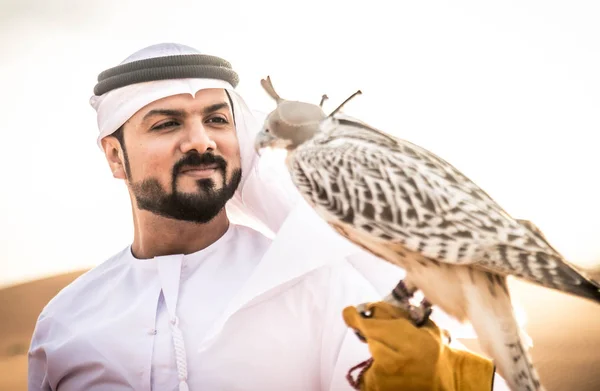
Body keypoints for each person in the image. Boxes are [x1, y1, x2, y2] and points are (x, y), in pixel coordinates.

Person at [27, 42, 509, 390]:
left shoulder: (318, 286)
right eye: (168, 123)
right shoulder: (65, 325)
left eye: (218, 119)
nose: (201, 140)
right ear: (114, 156)